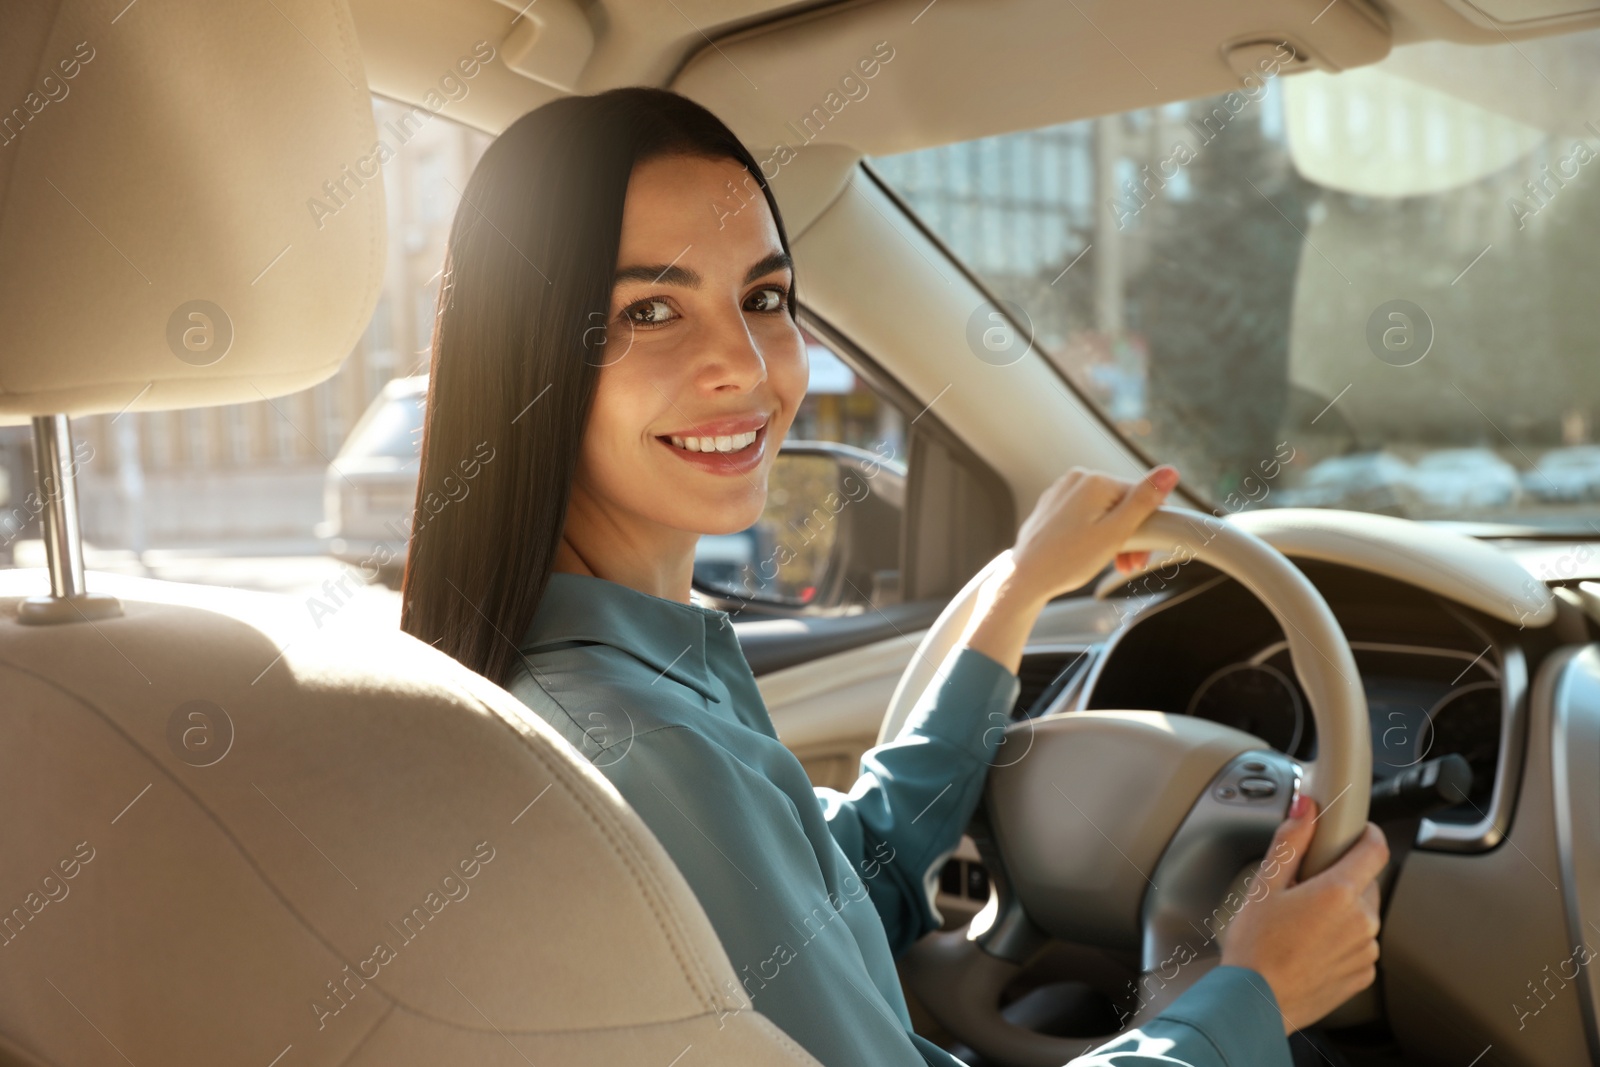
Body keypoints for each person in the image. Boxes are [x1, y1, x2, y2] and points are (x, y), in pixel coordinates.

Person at [399, 86, 1389, 1067]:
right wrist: (1251, 997)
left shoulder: (617, 677)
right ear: (524, 354)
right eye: (651, 309)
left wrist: (1013, 595)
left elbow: (841, 880)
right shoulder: (641, 742)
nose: (743, 366)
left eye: (763, 298)